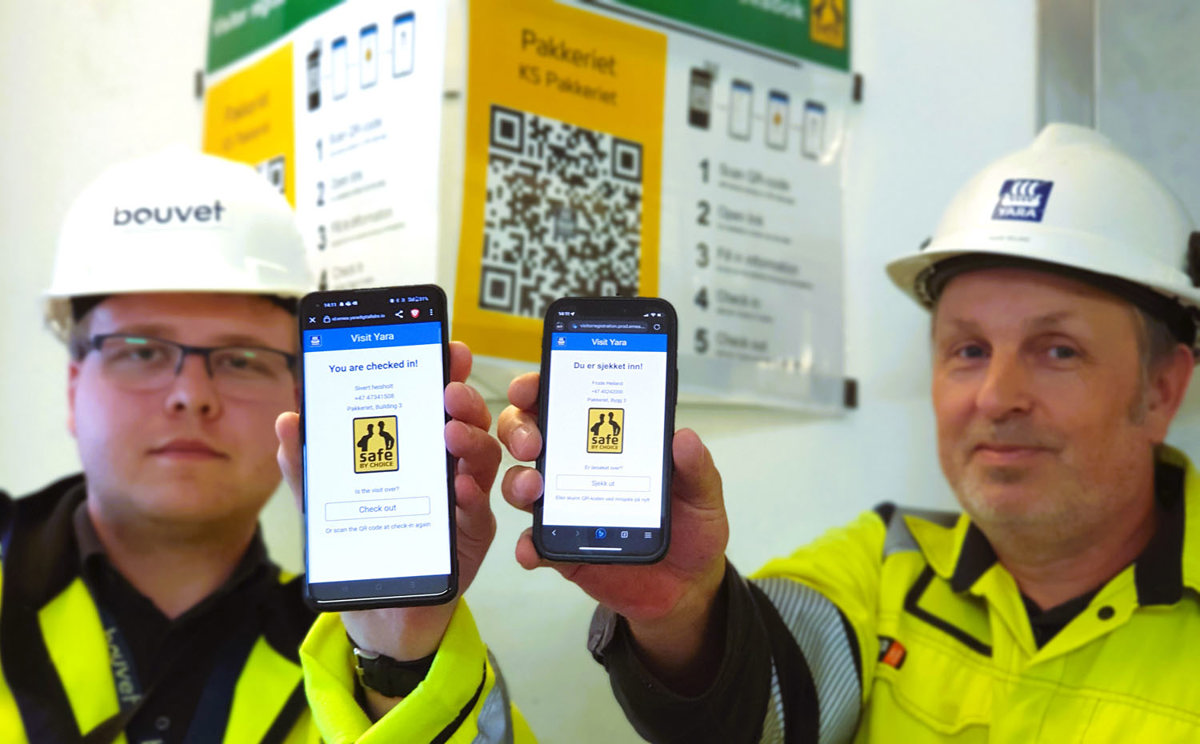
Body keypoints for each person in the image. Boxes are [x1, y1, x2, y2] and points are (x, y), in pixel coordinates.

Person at [499, 123, 1200, 741]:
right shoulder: (885, 565)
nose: (996, 396)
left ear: (1162, 390)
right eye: (969, 349)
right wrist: (680, 613)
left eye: (1059, 351)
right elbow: (764, 706)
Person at [0, 149, 531, 742]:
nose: (191, 396)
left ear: (300, 398)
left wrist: (400, 660)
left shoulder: (365, 646)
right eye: (142, 351)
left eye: (242, 359)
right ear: (74, 387)